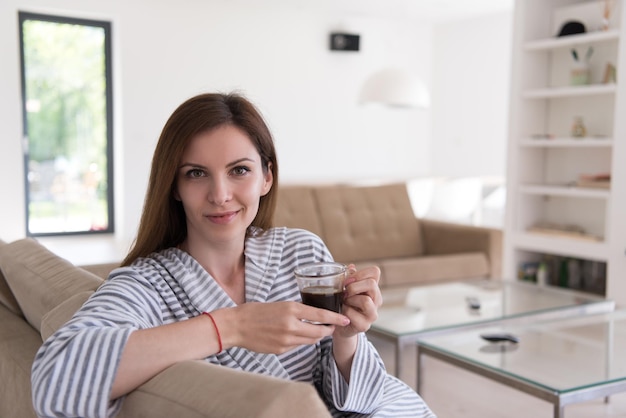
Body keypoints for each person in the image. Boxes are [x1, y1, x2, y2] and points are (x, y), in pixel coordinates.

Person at [31, 92, 436, 418]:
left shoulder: (302, 250)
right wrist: (231, 327)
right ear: (174, 186)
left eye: (239, 170)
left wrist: (348, 336)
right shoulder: (147, 285)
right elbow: (56, 377)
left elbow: (359, 395)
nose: (220, 194)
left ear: (267, 177)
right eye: (196, 173)